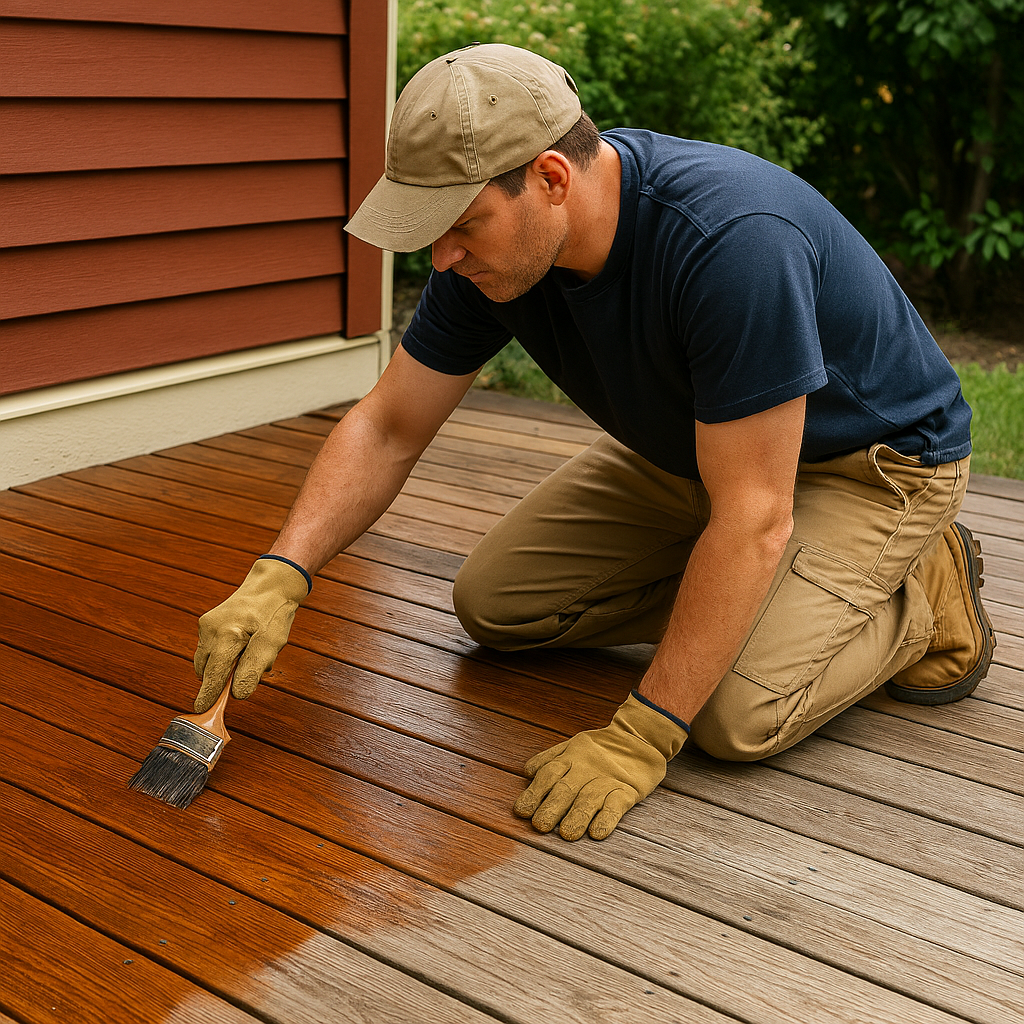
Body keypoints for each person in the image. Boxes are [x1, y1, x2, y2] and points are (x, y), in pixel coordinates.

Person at [193, 43, 996, 842]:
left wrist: (640, 736)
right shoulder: (495, 258)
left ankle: (922, 593)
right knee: (497, 607)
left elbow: (754, 510)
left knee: (730, 716)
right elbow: (389, 425)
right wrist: (282, 572)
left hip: (870, 467)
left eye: (462, 226)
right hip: (694, 449)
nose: (443, 258)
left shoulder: (731, 241)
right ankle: (771, 588)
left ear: (549, 178)